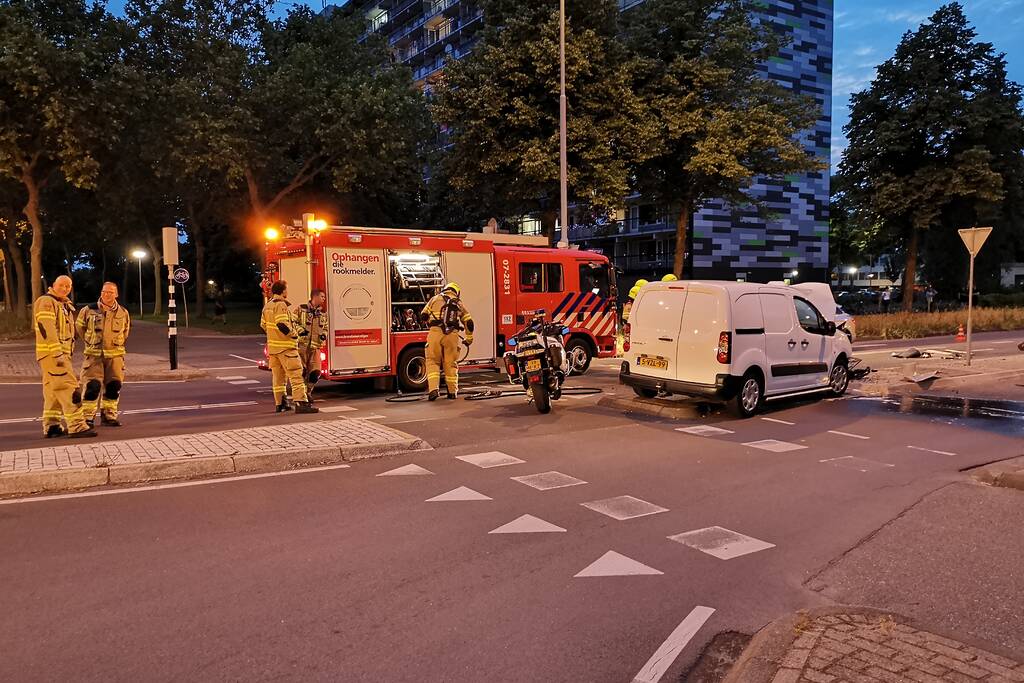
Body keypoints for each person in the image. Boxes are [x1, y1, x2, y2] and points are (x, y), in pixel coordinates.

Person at [33, 275, 96, 438]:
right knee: (69, 388)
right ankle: (77, 425)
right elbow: (47, 328)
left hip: (56, 355)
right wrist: (57, 352)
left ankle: (52, 426)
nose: (65, 288)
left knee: (53, 391)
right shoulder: (47, 302)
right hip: (54, 355)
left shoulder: (62, 304)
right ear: (53, 285)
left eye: (68, 286)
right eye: (61, 285)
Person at [76, 282, 131, 427]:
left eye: (111, 292)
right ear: (101, 293)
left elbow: (125, 332)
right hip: (94, 357)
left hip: (115, 357)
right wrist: (91, 341)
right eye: (104, 292)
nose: (107, 295)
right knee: (92, 387)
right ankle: (87, 418)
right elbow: (80, 328)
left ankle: (109, 416)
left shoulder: (123, 312)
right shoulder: (88, 310)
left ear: (116, 295)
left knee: (113, 387)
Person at [260, 280, 318, 414]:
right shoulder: (281, 305)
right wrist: (294, 335)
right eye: (287, 289)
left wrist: (273, 336)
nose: (288, 291)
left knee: (278, 378)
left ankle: (280, 404)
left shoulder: (267, 306)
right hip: (286, 348)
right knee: (296, 376)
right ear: (283, 291)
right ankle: (301, 403)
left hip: (274, 350)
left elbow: (263, 325)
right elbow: (282, 324)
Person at [421, 282, 473, 401]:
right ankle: (452, 392)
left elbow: (423, 315)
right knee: (450, 363)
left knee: (432, 361)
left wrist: (432, 320)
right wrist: (469, 338)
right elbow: (469, 322)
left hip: (435, 334)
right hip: (452, 336)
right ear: (456, 292)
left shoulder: (435, 299)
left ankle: (433, 390)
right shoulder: (458, 303)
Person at [292, 289, 328, 401]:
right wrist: (300, 330)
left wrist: (324, 335)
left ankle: (308, 391)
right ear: (315, 297)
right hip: (302, 346)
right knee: (301, 372)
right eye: (322, 296)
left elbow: (325, 327)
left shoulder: (322, 313)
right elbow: (292, 322)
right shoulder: (301, 309)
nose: (324, 299)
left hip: (315, 347)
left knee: (316, 372)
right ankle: (302, 395)